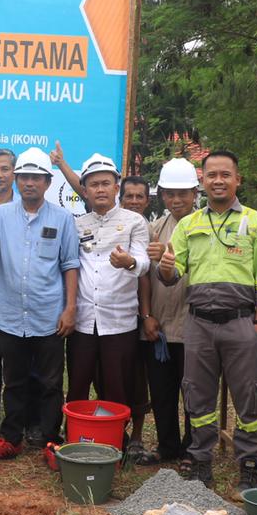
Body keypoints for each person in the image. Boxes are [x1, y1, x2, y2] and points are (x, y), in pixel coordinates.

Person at [157, 150, 257, 499]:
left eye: (225, 174)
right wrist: (166, 268)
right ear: (203, 182)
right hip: (198, 324)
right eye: (211, 175)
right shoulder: (189, 225)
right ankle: (200, 463)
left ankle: (250, 467)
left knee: (249, 396)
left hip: (241, 322)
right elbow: (173, 272)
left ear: (238, 179)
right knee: (197, 395)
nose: (218, 180)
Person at [0, 147, 80, 461]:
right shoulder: (1, 215)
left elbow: (70, 264)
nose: (29, 183)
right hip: (9, 315)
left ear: (47, 182)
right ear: (17, 180)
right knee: (14, 381)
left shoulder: (63, 219)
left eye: (36, 177)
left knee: (50, 383)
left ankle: (50, 442)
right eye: (24, 177)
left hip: (49, 315)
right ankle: (11, 439)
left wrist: (70, 308)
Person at [66, 155, 149, 442]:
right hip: (82, 321)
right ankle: (75, 438)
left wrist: (129, 262)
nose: (100, 189)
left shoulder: (134, 222)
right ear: (84, 190)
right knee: (77, 383)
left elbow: (143, 261)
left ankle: (114, 440)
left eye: (105, 183)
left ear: (116, 188)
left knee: (116, 387)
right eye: (93, 184)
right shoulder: (77, 224)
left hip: (119, 321)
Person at [140, 158, 199, 464]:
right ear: (162, 195)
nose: (176, 200)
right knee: (162, 392)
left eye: (183, 193)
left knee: (193, 392)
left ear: (194, 194)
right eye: (170, 194)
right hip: (160, 326)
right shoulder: (154, 229)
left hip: (194, 325)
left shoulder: (205, 226)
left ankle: (192, 448)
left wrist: (167, 254)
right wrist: (147, 316)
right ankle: (167, 446)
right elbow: (143, 277)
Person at [117, 173, 154, 456]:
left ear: (147, 201)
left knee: (138, 377)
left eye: (139, 196)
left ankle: (138, 437)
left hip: (145, 315)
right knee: (115, 376)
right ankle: (116, 430)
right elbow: (83, 190)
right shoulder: (115, 227)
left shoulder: (150, 229)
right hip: (119, 316)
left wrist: (146, 315)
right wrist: (62, 164)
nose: (133, 201)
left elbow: (144, 277)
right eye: (128, 196)